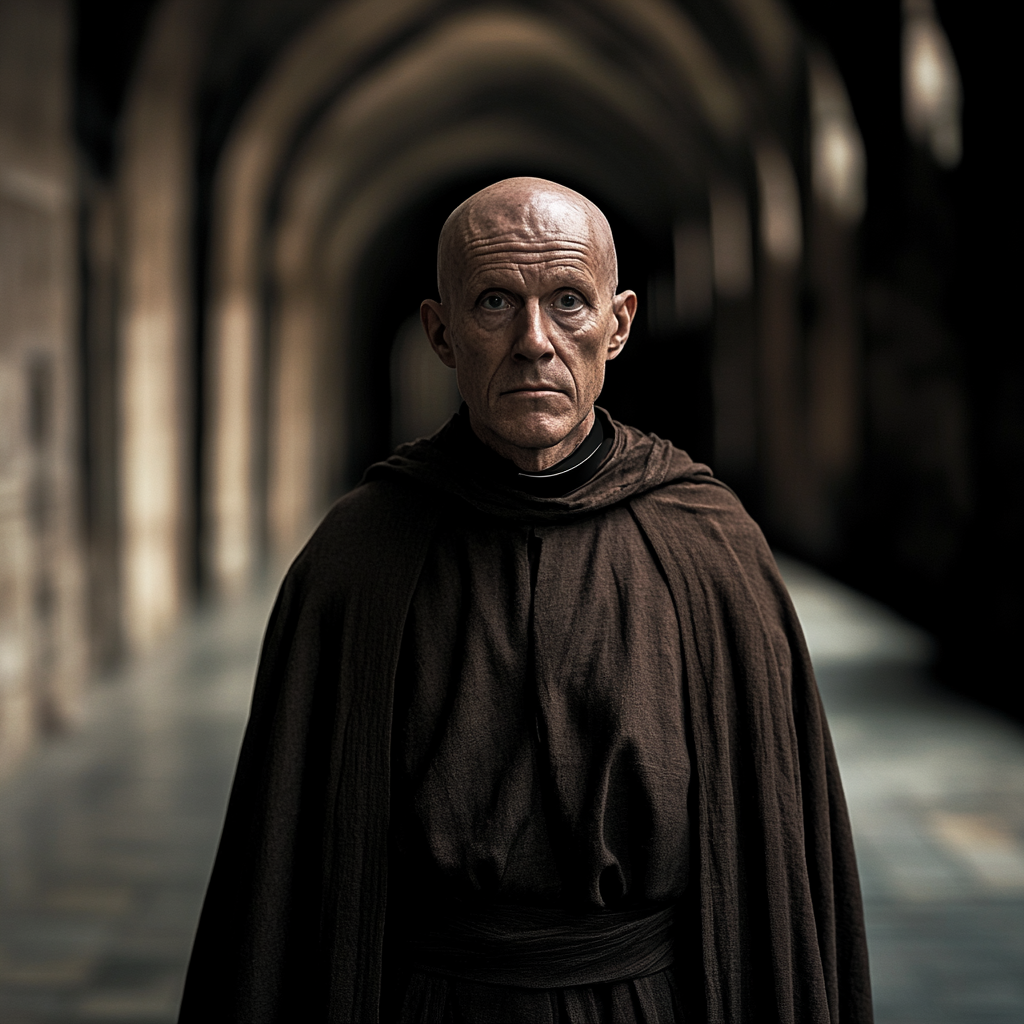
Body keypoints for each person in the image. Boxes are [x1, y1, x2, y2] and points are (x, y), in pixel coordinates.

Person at [179, 178, 872, 1023]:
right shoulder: (357, 558)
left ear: (618, 326)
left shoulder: (709, 546)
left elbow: (781, 860)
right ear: (441, 332)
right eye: (497, 302)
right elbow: (278, 872)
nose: (535, 342)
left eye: (569, 302)